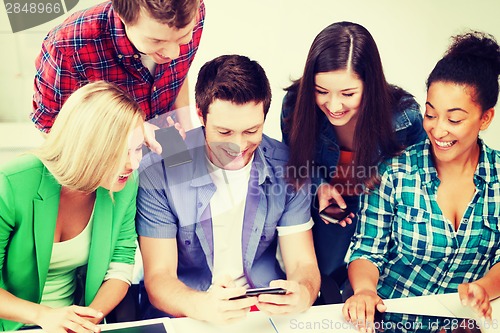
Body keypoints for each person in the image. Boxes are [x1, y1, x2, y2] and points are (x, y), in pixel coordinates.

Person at [136, 54, 320, 323]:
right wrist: (202, 306)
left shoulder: (289, 166)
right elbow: (158, 277)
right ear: (200, 115)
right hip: (188, 313)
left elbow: (303, 264)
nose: (238, 145)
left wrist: (303, 292)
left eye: (251, 130)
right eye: (224, 132)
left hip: (264, 313)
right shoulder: (161, 168)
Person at [343, 31, 500, 331]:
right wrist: (364, 290)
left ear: (486, 118)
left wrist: (485, 288)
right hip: (389, 323)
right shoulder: (392, 171)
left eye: (454, 120)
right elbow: (366, 250)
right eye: (430, 114)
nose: (438, 130)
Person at [280, 21, 426, 281]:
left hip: (383, 216)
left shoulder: (404, 116)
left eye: (347, 93)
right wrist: (319, 187)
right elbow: (294, 166)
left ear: (370, 85)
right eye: (321, 91)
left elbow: (421, 182)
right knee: (324, 276)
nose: (334, 105)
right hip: (326, 214)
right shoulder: (295, 105)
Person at [0, 81, 145, 332]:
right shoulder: (12, 183)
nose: (132, 163)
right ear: (86, 147)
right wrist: (44, 316)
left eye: (138, 148)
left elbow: (121, 265)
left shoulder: (124, 184)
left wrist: (85, 321)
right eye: (119, 152)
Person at [32, 0, 205, 152]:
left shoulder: (192, 12)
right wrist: (131, 132)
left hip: (169, 139)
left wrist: (188, 129)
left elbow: (177, 74)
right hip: (108, 157)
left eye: (183, 38)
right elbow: (50, 129)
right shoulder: (66, 48)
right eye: (156, 41)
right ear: (122, 16)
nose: (174, 53)